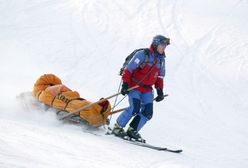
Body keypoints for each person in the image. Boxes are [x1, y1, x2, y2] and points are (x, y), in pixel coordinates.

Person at [112, 35, 170, 142]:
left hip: (147, 89)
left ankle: (132, 130)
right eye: (162, 46)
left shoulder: (161, 60)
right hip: (135, 86)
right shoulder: (143, 54)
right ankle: (118, 127)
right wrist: (125, 84)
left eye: (165, 46)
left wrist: (160, 91)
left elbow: (160, 77)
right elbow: (129, 70)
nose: (163, 48)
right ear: (156, 44)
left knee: (148, 112)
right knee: (134, 108)